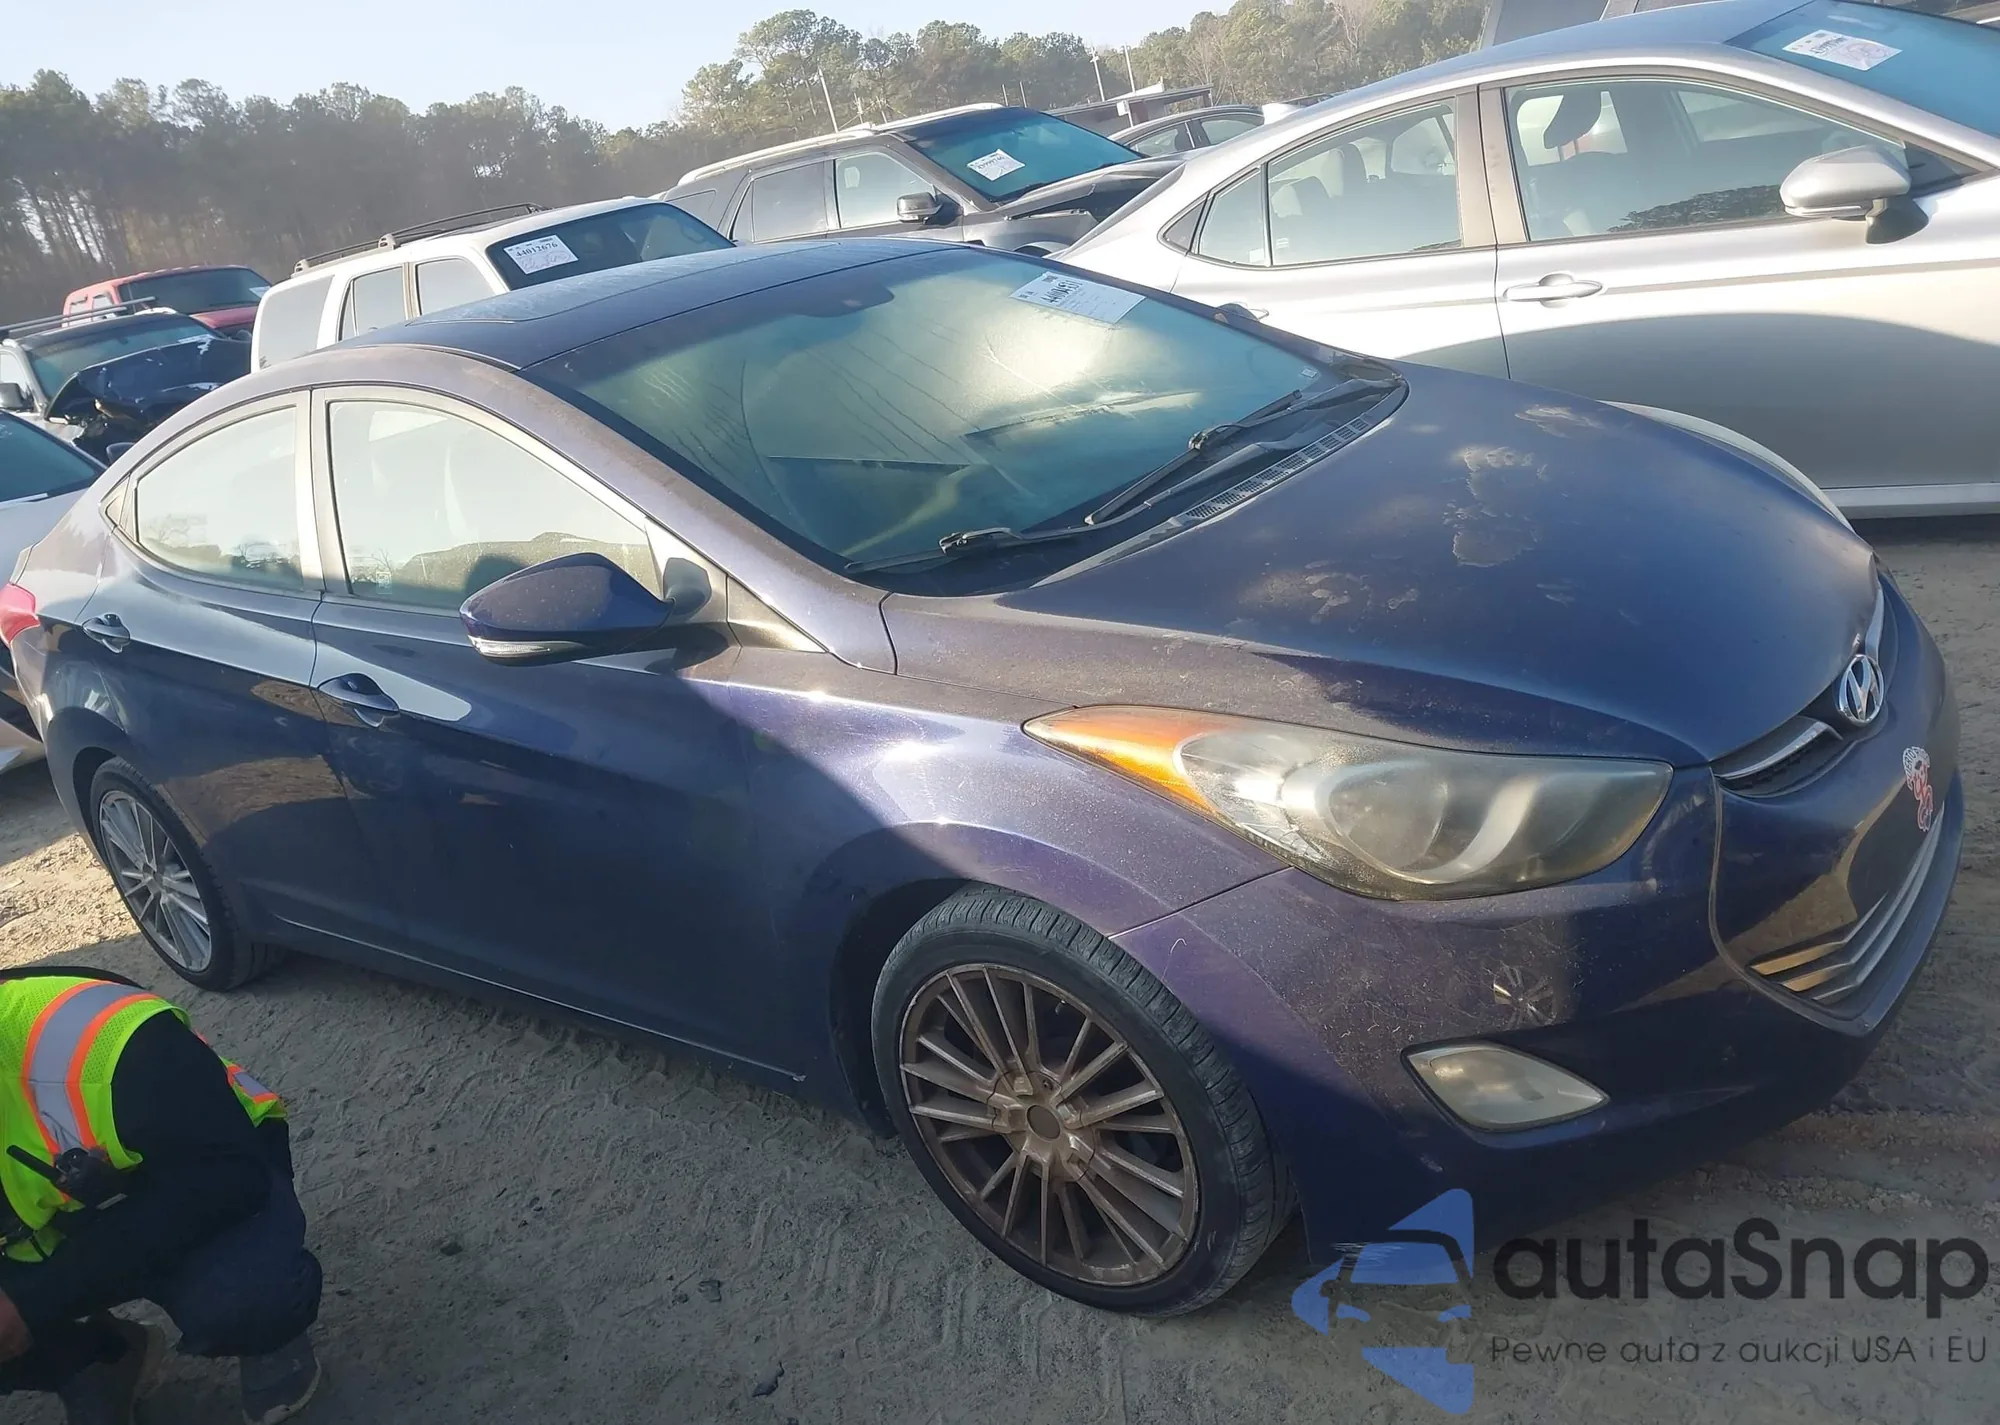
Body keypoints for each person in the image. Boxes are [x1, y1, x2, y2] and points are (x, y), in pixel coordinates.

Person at [0, 967, 323, 1425]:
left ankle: (272, 1341)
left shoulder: (104, 1042)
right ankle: (95, 1364)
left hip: (208, 1175)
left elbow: (229, 1177)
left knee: (242, 1298)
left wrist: (33, 1301)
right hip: (65, 1218)